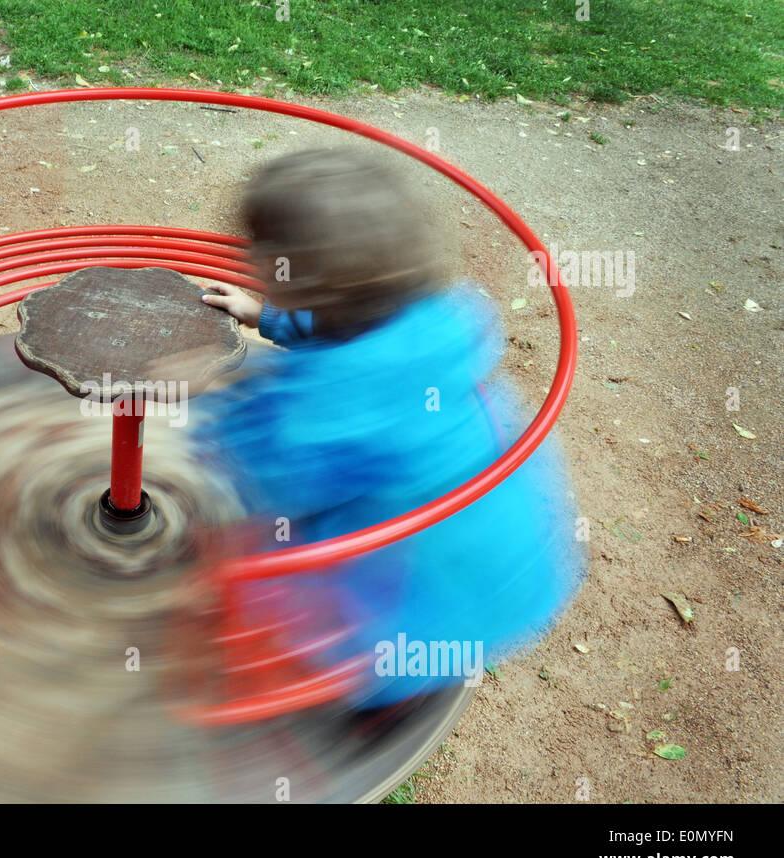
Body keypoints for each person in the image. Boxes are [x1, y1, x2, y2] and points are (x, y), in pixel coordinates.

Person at [197, 148, 586, 707]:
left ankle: (344, 712)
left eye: (257, 250)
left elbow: (249, 473)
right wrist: (266, 318)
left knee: (235, 567)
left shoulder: (324, 404)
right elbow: (348, 333)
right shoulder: (441, 317)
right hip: (523, 566)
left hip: (427, 619)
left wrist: (191, 397)